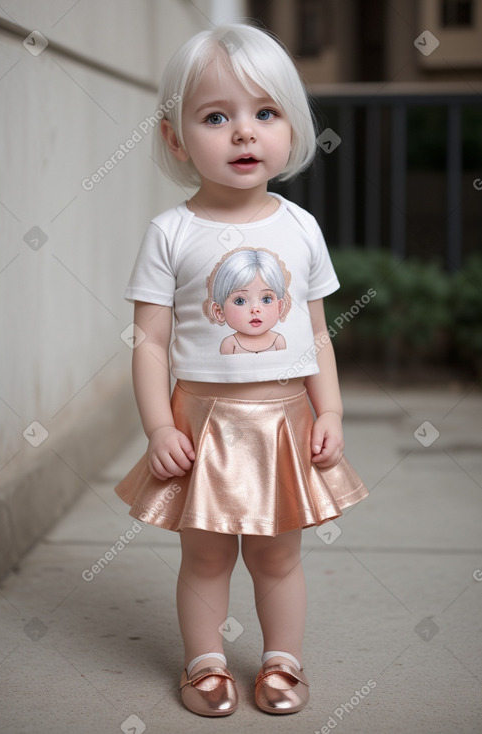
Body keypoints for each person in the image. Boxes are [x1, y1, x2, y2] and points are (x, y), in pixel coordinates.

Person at [115, 22, 368, 718]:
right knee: (204, 558)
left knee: (276, 557)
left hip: (284, 419)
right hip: (202, 420)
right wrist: (157, 424)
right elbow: (149, 342)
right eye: (215, 117)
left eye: (264, 113)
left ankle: (282, 660)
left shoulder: (299, 227)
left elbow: (316, 332)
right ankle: (205, 663)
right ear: (175, 138)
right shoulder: (172, 232)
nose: (243, 133)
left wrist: (332, 412)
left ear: (293, 128)